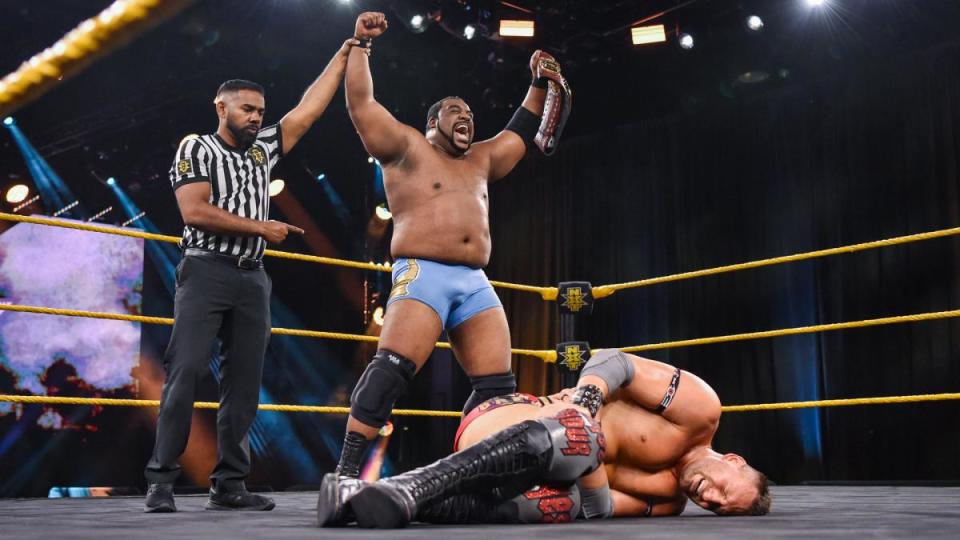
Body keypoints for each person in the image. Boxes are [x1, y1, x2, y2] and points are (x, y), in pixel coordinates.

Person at [334, 12, 572, 479]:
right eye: (455, 111)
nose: (467, 117)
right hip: (424, 273)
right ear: (432, 121)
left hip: (474, 281)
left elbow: (520, 133)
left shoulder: (481, 158)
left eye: (470, 112)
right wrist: (361, 45)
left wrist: (539, 84)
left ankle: (470, 472)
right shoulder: (406, 147)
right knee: (390, 372)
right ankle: (344, 471)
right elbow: (361, 103)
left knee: (496, 388)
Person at [143, 37, 360, 513]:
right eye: (246, 110)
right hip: (205, 270)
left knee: (244, 383)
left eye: (260, 111)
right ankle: (160, 480)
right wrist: (260, 226)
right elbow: (193, 211)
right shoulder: (195, 146)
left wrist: (347, 52)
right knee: (185, 373)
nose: (256, 118)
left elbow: (308, 110)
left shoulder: (265, 148)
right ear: (220, 107)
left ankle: (229, 484)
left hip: (252, 277)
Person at [318, 351, 770, 527]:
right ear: (732, 459)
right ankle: (407, 487)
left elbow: (597, 509)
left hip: (529, 469)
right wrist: (585, 406)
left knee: (559, 504)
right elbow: (614, 362)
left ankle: (357, 496)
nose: (704, 495)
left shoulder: (669, 500)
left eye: (713, 505)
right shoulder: (700, 409)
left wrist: (591, 464)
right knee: (579, 437)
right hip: (507, 418)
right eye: (718, 488)